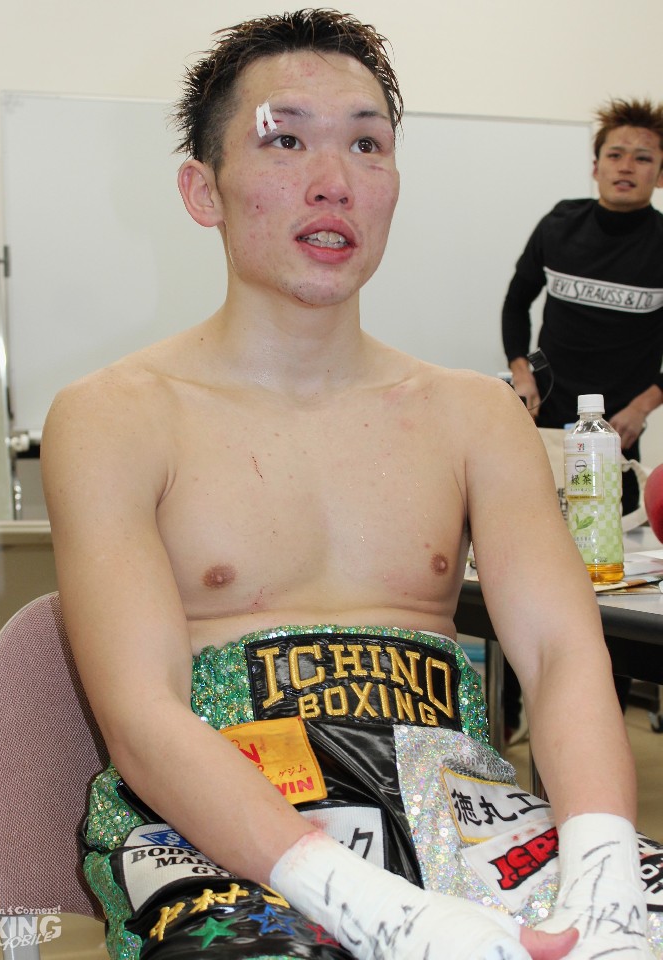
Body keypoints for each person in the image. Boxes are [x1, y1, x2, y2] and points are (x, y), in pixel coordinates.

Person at [41, 11, 662, 960]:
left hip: (465, 817)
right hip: (219, 829)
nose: (334, 180)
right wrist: (367, 906)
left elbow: (562, 657)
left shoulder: (476, 415)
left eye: (367, 144)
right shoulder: (112, 416)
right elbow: (141, 713)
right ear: (203, 190)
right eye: (285, 140)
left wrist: (605, 863)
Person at [502, 97, 663, 516]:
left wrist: (642, 408)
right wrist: (522, 373)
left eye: (642, 158)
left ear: (660, 174)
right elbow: (516, 303)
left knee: (612, 533)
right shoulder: (559, 224)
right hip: (547, 418)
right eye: (615, 155)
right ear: (596, 167)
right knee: (540, 520)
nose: (626, 167)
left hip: (618, 430)